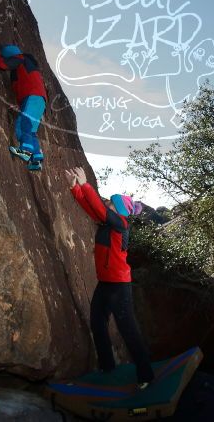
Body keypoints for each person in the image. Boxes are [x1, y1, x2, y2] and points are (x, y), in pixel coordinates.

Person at [66, 166, 155, 388]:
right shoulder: (107, 222)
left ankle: (146, 376)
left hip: (119, 286)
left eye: (111, 203)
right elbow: (91, 208)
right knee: (97, 322)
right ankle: (107, 366)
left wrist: (86, 184)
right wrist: (74, 188)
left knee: (128, 330)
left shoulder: (120, 224)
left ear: (118, 210)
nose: (106, 203)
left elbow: (98, 207)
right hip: (105, 283)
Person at [0, 44, 48, 171]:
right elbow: (23, 85)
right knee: (30, 130)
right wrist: (20, 105)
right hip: (38, 100)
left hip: (33, 96)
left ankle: (26, 150)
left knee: (23, 123)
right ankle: (36, 159)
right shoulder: (26, 68)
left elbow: (3, 64)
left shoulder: (21, 58)